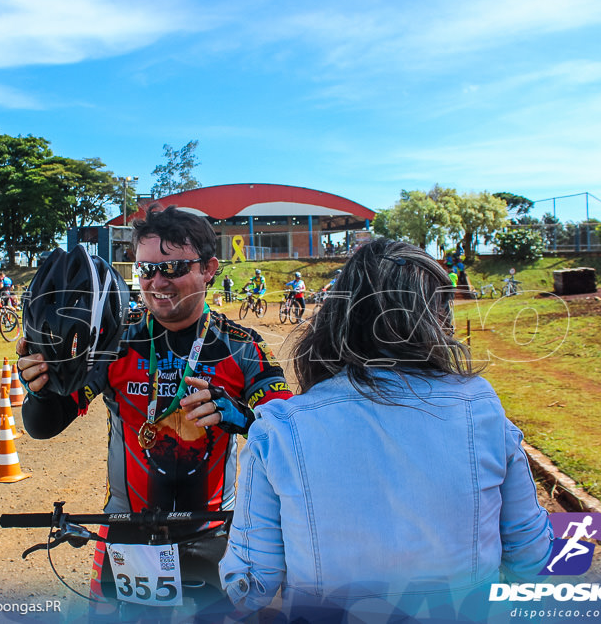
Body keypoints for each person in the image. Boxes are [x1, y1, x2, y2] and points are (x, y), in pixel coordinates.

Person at [219, 238, 552, 620]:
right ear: (439, 321)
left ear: (338, 317)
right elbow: (531, 554)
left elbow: (250, 588)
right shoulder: (482, 409)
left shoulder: (279, 430)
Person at [17, 205, 293, 613]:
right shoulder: (116, 344)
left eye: (174, 268)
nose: (157, 282)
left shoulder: (244, 347)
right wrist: (42, 388)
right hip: (127, 535)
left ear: (209, 268)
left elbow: (289, 438)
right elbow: (44, 427)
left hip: (214, 535)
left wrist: (239, 416)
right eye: (146, 270)